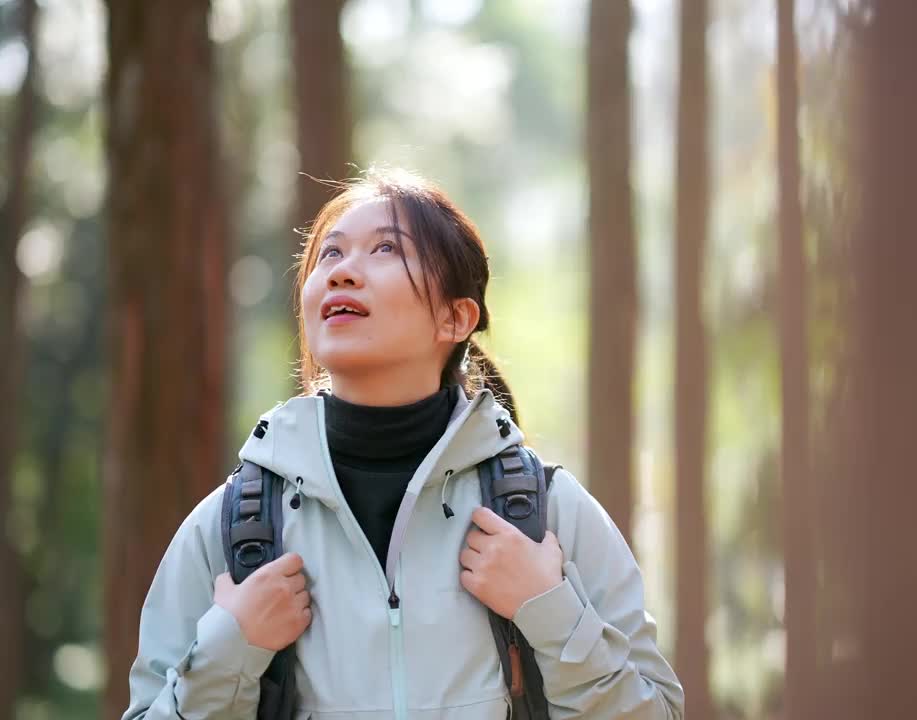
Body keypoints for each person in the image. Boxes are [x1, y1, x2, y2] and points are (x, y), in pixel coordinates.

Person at [121, 169, 684, 719]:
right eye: (330, 255)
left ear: (455, 317)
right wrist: (231, 648)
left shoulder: (544, 513)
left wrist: (550, 611)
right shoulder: (237, 525)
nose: (342, 273)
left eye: (385, 250)